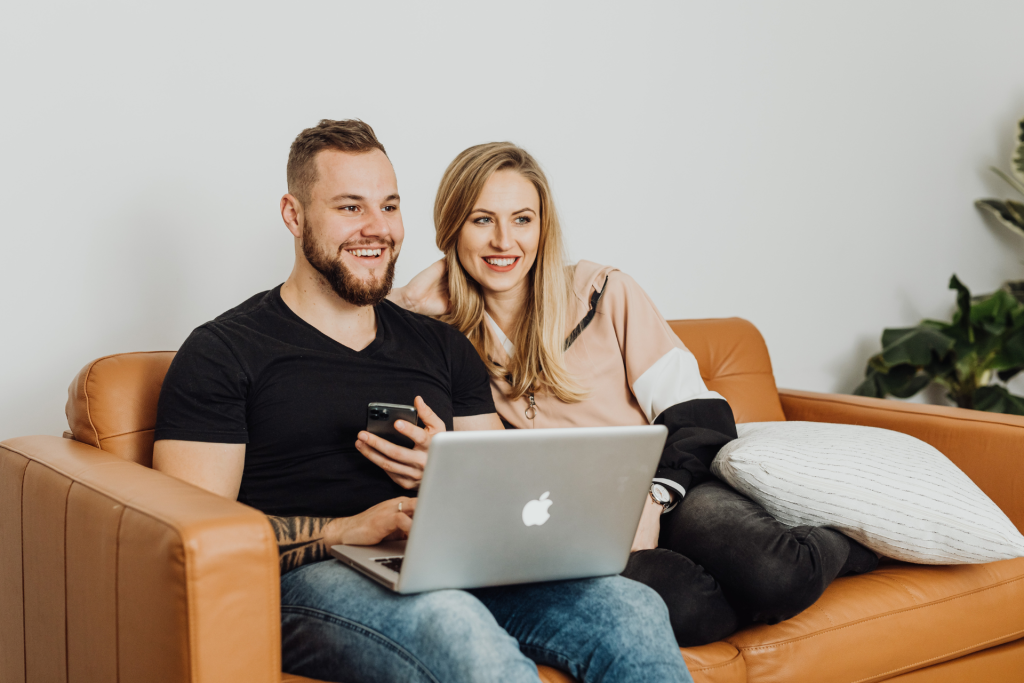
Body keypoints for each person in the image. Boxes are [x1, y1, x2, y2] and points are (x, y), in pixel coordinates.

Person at [151, 120, 693, 683]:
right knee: (453, 624)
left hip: (449, 563)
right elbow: (188, 539)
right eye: (350, 208)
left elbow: (504, 498)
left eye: (389, 207)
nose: (377, 228)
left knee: (631, 610)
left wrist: (452, 467)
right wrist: (342, 531)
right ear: (293, 215)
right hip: (311, 576)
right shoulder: (224, 351)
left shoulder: (442, 345)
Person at [387, 141, 880, 646]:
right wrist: (403, 301)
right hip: (576, 528)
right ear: (452, 229)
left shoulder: (604, 293)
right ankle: (747, 595)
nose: (504, 241)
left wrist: (651, 499)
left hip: (670, 492)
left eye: (522, 219)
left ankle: (846, 544)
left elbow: (700, 416)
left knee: (778, 575)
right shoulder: (442, 338)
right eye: (481, 220)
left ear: (543, 227)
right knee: (683, 610)